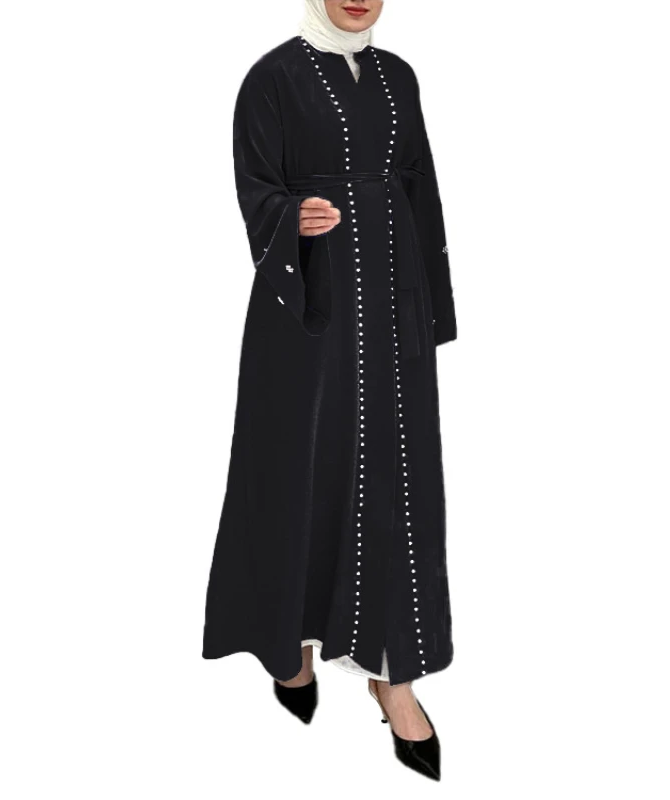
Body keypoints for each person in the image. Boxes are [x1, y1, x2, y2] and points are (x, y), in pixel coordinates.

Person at [202, 0, 457, 781]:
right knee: (298, 473)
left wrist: (433, 311)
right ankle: (291, 644)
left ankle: (393, 674)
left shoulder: (398, 77)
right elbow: (255, 188)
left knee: (398, 482)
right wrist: (290, 217)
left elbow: (420, 189)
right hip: (307, 314)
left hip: (393, 306)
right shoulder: (271, 78)